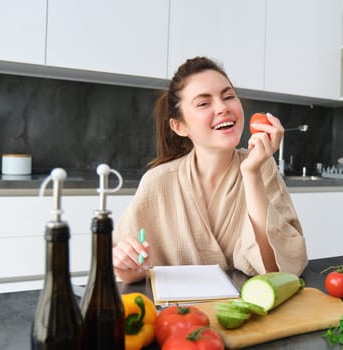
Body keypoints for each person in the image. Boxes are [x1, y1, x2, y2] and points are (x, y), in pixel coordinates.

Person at [112, 56, 308, 284]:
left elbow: (279, 269)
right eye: (204, 103)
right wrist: (128, 265)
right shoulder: (158, 181)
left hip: (245, 310)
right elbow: (130, 269)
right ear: (179, 126)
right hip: (178, 316)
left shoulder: (261, 167)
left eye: (228, 96)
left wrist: (251, 173)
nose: (223, 108)